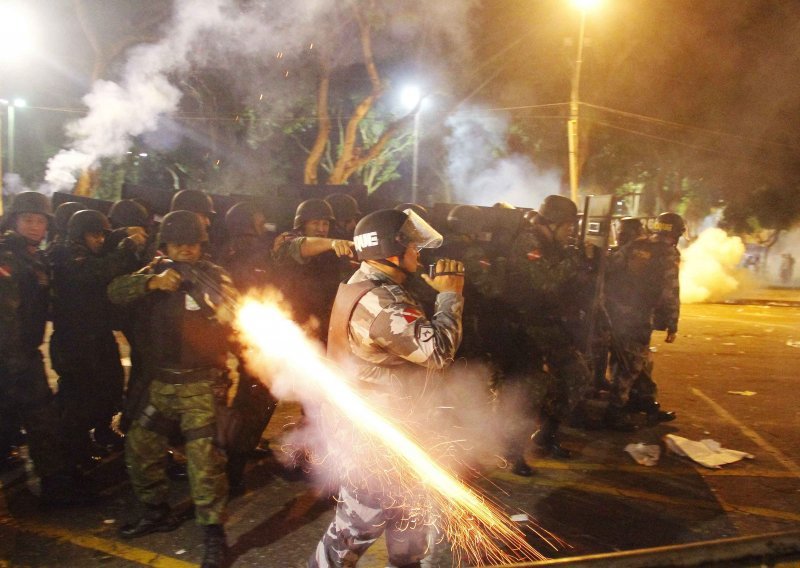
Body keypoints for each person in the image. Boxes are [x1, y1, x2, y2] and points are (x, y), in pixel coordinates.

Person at [310, 208, 465, 568]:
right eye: (412, 246)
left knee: (410, 515)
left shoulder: (374, 285)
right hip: (372, 439)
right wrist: (451, 295)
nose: (418, 253)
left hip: (390, 427)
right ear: (390, 251)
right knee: (356, 528)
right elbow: (438, 352)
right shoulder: (380, 302)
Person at [108, 210, 237, 568]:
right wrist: (152, 283)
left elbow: (233, 308)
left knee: (204, 462)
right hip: (160, 382)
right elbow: (115, 291)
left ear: (201, 245)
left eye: (192, 244)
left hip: (199, 383)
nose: (185, 250)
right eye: (178, 243)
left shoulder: (213, 275)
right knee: (140, 447)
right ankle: (156, 511)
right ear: (165, 244)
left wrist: (209, 301)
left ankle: (213, 533)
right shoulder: (153, 272)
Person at [0, 192, 94, 506]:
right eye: (28, 219)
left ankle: (49, 482)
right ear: (14, 221)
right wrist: (15, 360)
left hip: (24, 353)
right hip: (12, 357)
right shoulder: (7, 258)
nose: (35, 226)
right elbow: (9, 314)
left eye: (40, 221)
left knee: (22, 418)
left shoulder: (34, 257)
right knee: (41, 420)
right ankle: (55, 487)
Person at [501, 195, 594, 476]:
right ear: (552, 223)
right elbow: (545, 281)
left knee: (576, 378)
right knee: (528, 393)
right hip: (525, 328)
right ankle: (512, 451)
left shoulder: (554, 246)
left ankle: (547, 435)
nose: (570, 232)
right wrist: (577, 259)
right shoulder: (528, 243)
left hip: (551, 326)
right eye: (567, 226)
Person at [49, 209, 145, 462]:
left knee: (111, 386)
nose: (100, 240)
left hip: (98, 335)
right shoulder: (65, 254)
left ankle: (103, 431)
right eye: (94, 235)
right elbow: (98, 271)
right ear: (80, 236)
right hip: (74, 340)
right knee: (79, 397)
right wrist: (128, 246)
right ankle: (73, 448)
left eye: (102, 235)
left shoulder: (91, 254)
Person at [218, 201, 278, 495]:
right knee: (255, 399)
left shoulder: (227, 250)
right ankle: (233, 467)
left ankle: (235, 456)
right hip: (255, 332)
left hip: (242, 332)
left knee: (250, 396)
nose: (262, 221)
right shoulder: (252, 250)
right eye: (258, 217)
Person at [603, 212, 682, 430]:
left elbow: (610, 267)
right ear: (677, 232)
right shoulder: (668, 253)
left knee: (639, 363)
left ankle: (646, 404)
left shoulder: (637, 244)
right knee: (630, 366)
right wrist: (672, 323)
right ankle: (615, 412)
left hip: (618, 313)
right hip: (637, 317)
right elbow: (671, 291)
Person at [272, 198, 354, 344]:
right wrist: (333, 243)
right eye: (315, 223)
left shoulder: (329, 250)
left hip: (323, 324)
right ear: (303, 225)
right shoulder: (287, 241)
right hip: (294, 324)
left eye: (325, 224)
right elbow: (301, 246)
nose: (321, 229)